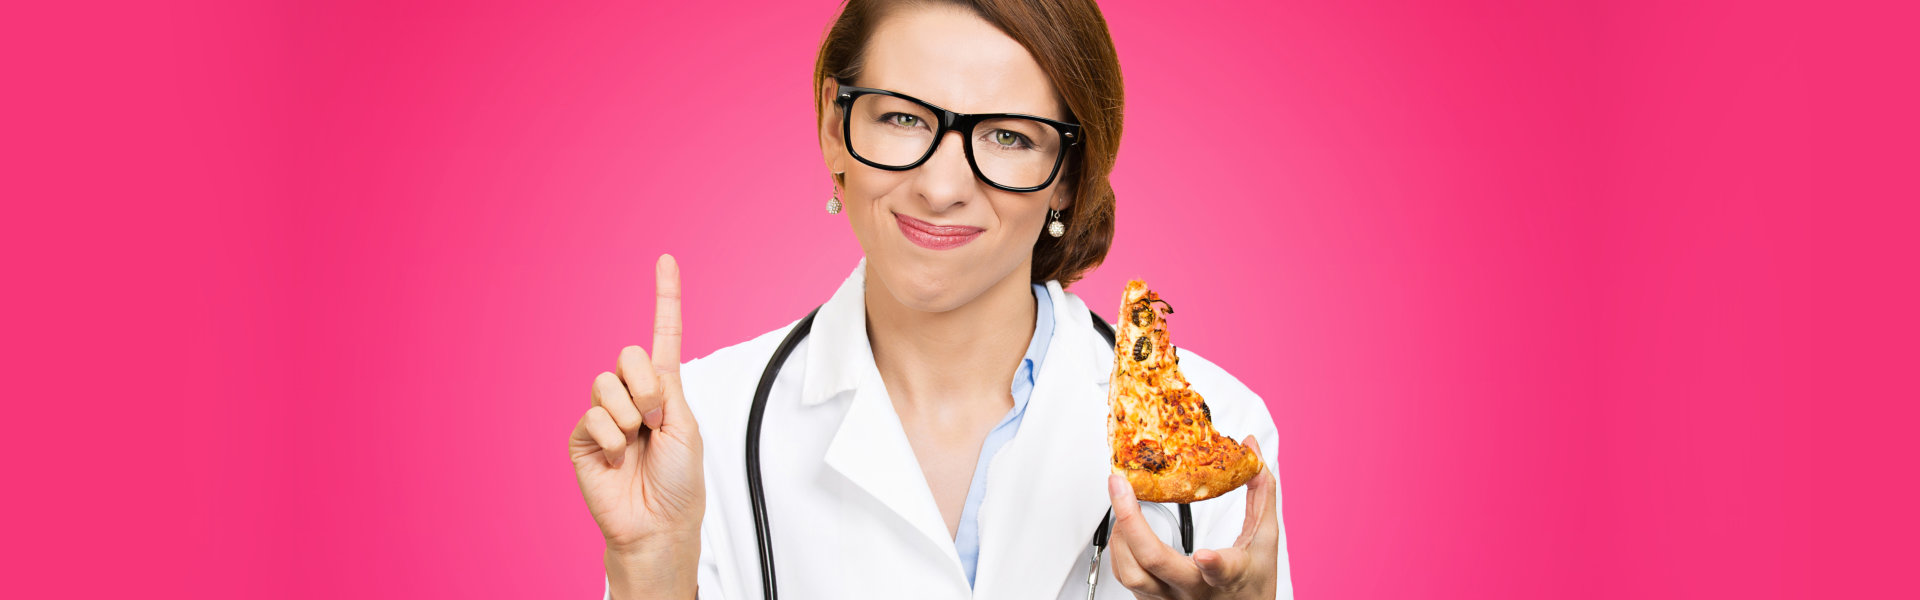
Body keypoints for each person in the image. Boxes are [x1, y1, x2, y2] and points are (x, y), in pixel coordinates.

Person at [568, 1, 1292, 597]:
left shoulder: (1216, 433)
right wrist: (650, 570)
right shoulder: (701, 428)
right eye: (903, 119)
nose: (941, 188)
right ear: (834, 126)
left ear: (1067, 177)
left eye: (1008, 135)